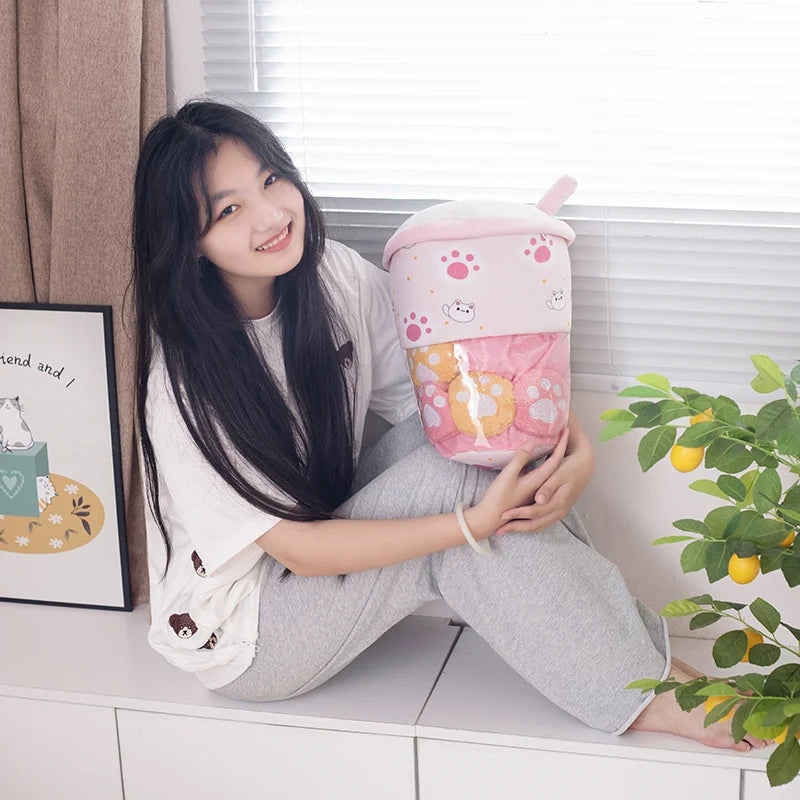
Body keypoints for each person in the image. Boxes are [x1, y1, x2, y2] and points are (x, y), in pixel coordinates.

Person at [131, 99, 769, 752]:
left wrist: (571, 449)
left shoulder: (327, 278)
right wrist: (470, 524)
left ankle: (653, 673)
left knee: (480, 439)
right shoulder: (182, 381)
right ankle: (646, 693)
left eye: (270, 180)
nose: (270, 216)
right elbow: (297, 550)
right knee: (454, 477)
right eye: (229, 209)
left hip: (317, 555)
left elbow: (463, 389)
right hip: (249, 635)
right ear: (189, 242)